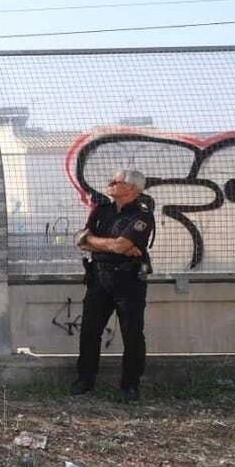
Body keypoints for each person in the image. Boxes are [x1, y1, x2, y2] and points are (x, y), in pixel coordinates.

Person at [71, 168, 155, 402]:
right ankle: (85, 379)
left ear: (132, 188)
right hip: (99, 277)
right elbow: (81, 240)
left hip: (128, 280)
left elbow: (114, 246)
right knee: (90, 331)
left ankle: (130, 385)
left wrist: (95, 241)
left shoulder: (141, 215)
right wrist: (111, 244)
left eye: (115, 181)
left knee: (132, 334)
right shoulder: (102, 210)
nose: (110, 183)